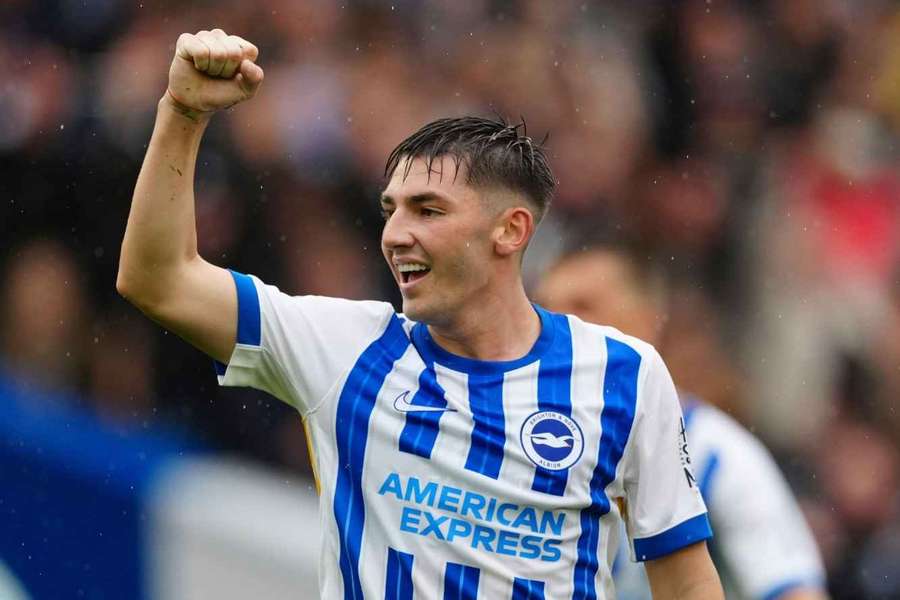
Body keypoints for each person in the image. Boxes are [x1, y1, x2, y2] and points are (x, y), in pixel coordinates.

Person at [117, 28, 724, 599]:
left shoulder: (625, 374)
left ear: (510, 231)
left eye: (428, 210)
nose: (395, 234)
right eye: (391, 210)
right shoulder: (346, 348)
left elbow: (688, 584)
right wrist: (182, 113)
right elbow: (158, 278)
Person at [536, 246, 828, 600]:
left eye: (584, 306)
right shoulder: (517, 436)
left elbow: (794, 590)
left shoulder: (717, 453)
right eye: (547, 308)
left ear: (646, 320)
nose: (562, 324)